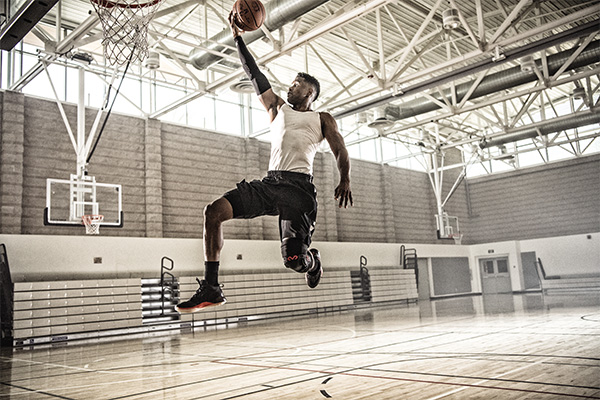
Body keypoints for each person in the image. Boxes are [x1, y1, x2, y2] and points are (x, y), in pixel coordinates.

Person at [175, 12, 353, 313]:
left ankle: (313, 261)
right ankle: (212, 286)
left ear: (309, 92)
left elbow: (340, 149)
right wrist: (237, 39)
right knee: (214, 211)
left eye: (296, 84)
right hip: (271, 183)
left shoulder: (321, 118)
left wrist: (344, 178)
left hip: (298, 190)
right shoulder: (277, 108)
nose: (290, 87)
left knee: (293, 260)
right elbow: (254, 74)